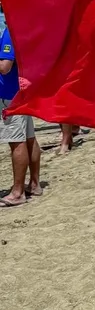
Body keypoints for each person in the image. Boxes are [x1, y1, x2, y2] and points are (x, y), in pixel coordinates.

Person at [0, 26, 42, 206]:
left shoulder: (11, 30)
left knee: (17, 141)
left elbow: (5, 67)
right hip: (21, 91)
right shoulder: (20, 25)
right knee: (29, 138)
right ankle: (34, 184)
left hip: (11, 95)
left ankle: (18, 193)